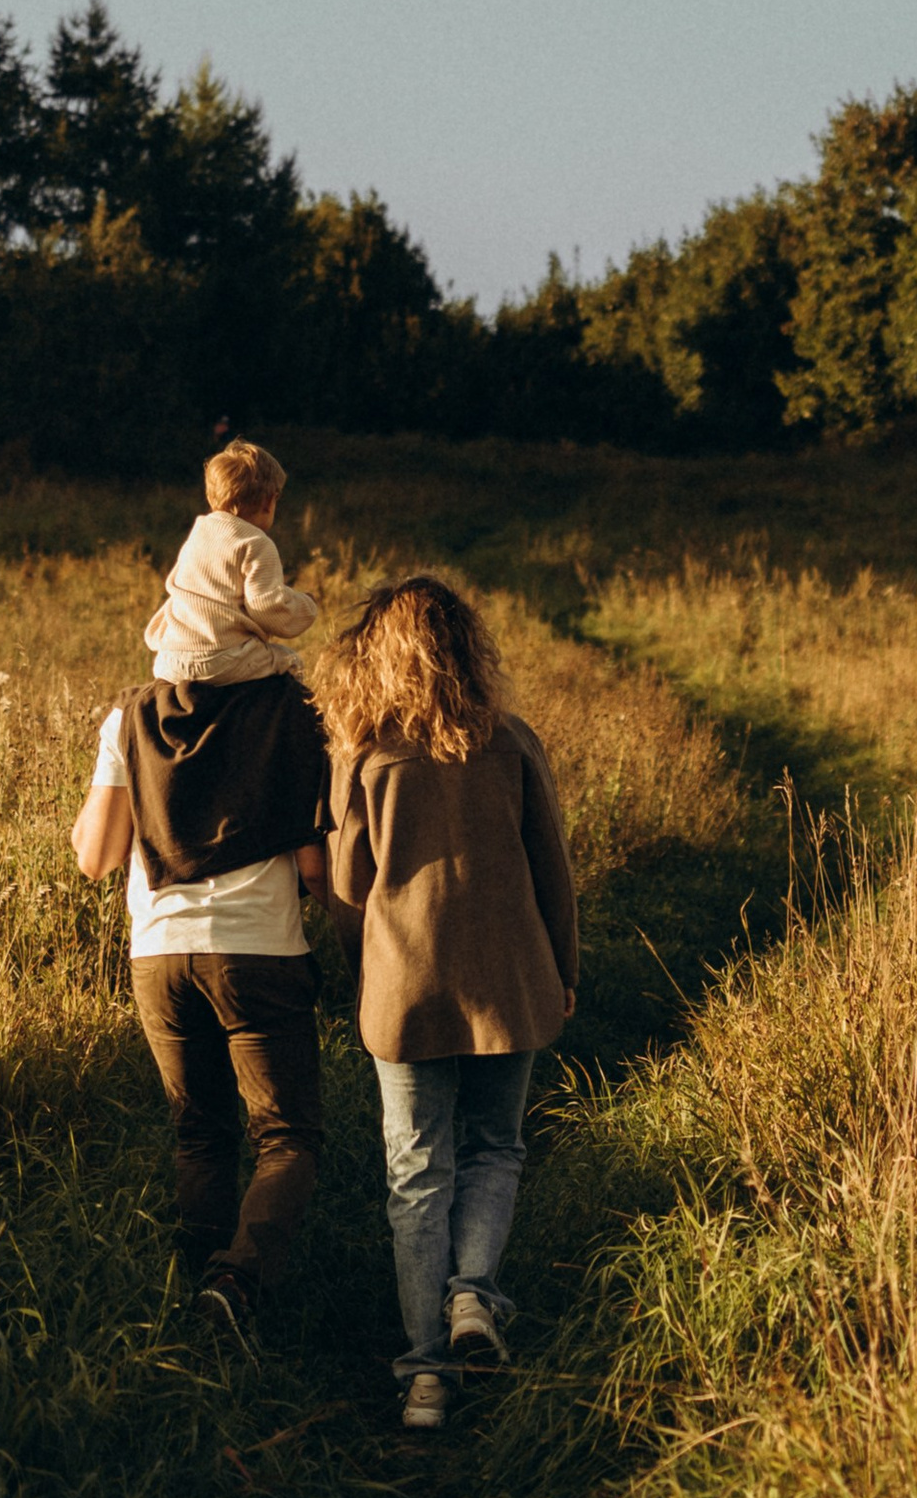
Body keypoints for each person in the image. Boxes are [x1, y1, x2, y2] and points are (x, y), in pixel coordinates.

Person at [320, 576, 577, 1433]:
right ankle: (474, 1297)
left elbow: (350, 886)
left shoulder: (368, 760)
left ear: (377, 662)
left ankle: (423, 1376)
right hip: (511, 977)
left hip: (407, 990)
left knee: (415, 1174)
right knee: (493, 1149)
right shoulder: (513, 742)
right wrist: (564, 972)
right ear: (470, 652)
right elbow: (555, 875)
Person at [72, 552, 331, 1353]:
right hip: (257, 948)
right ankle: (236, 1283)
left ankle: (185, 1308)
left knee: (200, 1131)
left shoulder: (129, 717)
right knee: (286, 1136)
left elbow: (95, 856)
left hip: (158, 951)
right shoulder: (296, 710)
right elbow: (317, 867)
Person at [144, 440, 318, 682]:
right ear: (269, 501)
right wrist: (305, 605)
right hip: (221, 659)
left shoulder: (200, 531)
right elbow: (267, 606)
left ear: (210, 494)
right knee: (291, 662)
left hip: (170, 659)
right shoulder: (256, 543)